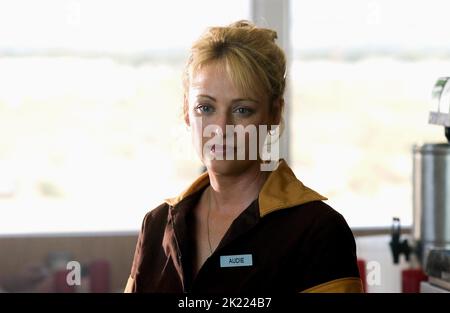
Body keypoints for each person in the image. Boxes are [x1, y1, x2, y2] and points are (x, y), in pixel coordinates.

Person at [124, 20, 363, 293]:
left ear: (274, 113)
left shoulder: (316, 231)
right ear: (187, 112)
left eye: (242, 110)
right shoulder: (157, 226)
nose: (221, 128)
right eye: (206, 107)